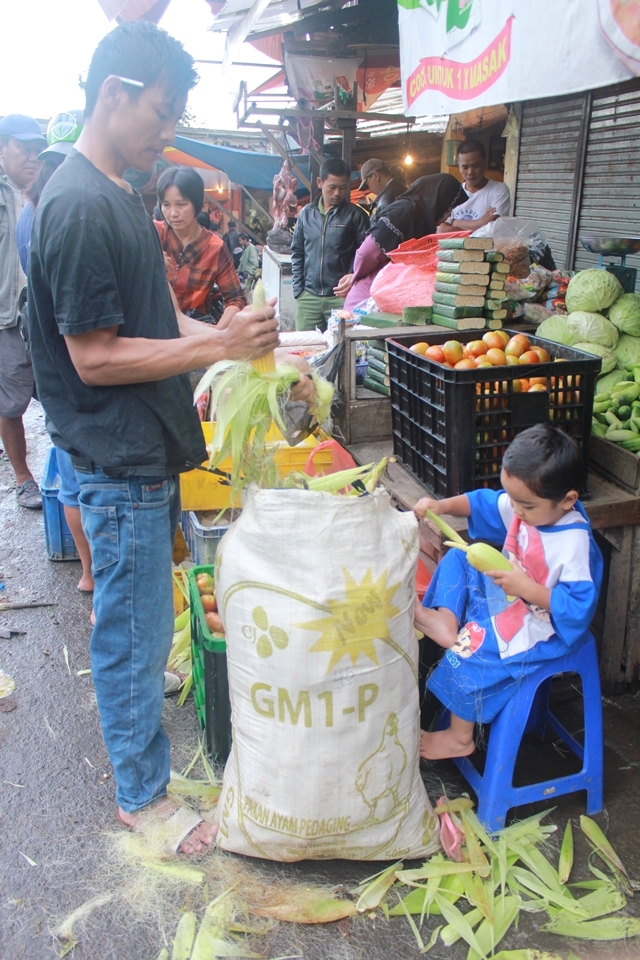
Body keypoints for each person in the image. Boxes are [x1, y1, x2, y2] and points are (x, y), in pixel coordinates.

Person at [27, 21, 313, 857]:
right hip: (117, 460)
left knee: (143, 627)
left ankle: (142, 770)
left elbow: (150, 325)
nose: (168, 129)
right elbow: (96, 356)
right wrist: (215, 346)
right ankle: (142, 798)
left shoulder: (116, 191)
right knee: (132, 632)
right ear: (113, 94)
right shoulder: (80, 204)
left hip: (141, 454)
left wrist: (228, 336)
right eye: (160, 109)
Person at [412, 425, 603, 762]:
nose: (515, 511)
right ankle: (445, 619)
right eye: (512, 499)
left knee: (472, 643)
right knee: (459, 556)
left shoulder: (573, 544)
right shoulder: (528, 504)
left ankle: (460, 737)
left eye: (525, 506)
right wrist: (441, 506)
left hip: (544, 625)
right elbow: (483, 504)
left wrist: (528, 589)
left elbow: (577, 608)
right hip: (513, 596)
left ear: (568, 500)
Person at [16, 110, 95, 594]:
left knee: (71, 478)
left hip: (54, 370)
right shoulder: (63, 213)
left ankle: (87, 574)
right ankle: (92, 575)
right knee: (80, 480)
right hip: (73, 374)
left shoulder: (33, 212)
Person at [0, 113, 46, 509]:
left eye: (37, 151)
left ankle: (63, 469)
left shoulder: (48, 190)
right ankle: (22, 476)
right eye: (22, 149)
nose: (32, 158)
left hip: (43, 313)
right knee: (10, 401)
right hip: (6, 316)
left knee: (55, 392)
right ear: (2, 150)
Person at [337, 173, 464, 310]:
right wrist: (356, 276)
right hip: (368, 301)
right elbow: (367, 252)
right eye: (449, 206)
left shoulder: (422, 218)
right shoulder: (404, 211)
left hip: (389, 299)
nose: (449, 213)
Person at [154, 166, 245, 324]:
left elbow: (236, 299)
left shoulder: (215, 247)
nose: (173, 213)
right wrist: (151, 260)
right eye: (166, 205)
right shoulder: (153, 233)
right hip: (153, 328)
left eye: (181, 204)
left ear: (197, 204)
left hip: (195, 328)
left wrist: (217, 334)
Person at [291, 157, 368, 332]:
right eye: (332, 187)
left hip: (341, 298)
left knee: (342, 350)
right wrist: (299, 291)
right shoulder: (306, 214)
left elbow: (366, 256)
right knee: (305, 349)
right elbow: (297, 253)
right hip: (308, 297)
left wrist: (354, 278)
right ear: (320, 182)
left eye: (342, 187)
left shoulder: (356, 216)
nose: (337, 193)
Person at [440, 139, 510, 232]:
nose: (470, 172)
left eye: (475, 166)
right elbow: (441, 230)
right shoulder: (453, 193)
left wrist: (455, 223)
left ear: (484, 164)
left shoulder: (498, 190)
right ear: (459, 166)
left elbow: (492, 225)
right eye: (465, 167)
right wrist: (482, 221)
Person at [358, 158, 405, 225]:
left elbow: (382, 232)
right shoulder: (404, 190)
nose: (369, 189)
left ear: (376, 175)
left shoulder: (386, 200)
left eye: (367, 184)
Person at [237, 233, 260, 302]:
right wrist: (238, 271)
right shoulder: (245, 248)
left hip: (249, 275)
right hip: (245, 275)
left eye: (241, 240)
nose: (240, 242)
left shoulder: (251, 248)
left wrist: (250, 272)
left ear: (245, 240)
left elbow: (255, 263)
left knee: (248, 295)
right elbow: (243, 262)